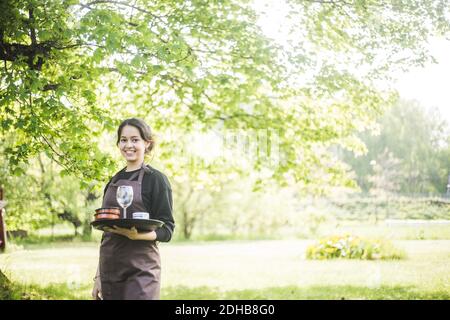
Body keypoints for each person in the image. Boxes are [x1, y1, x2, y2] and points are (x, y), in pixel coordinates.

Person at [92, 118, 175, 300]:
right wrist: (98, 277)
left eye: (135, 140)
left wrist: (137, 236)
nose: (128, 145)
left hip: (142, 269)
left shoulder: (157, 180)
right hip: (111, 268)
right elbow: (106, 231)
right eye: (123, 140)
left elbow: (167, 230)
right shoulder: (113, 180)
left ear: (147, 143)